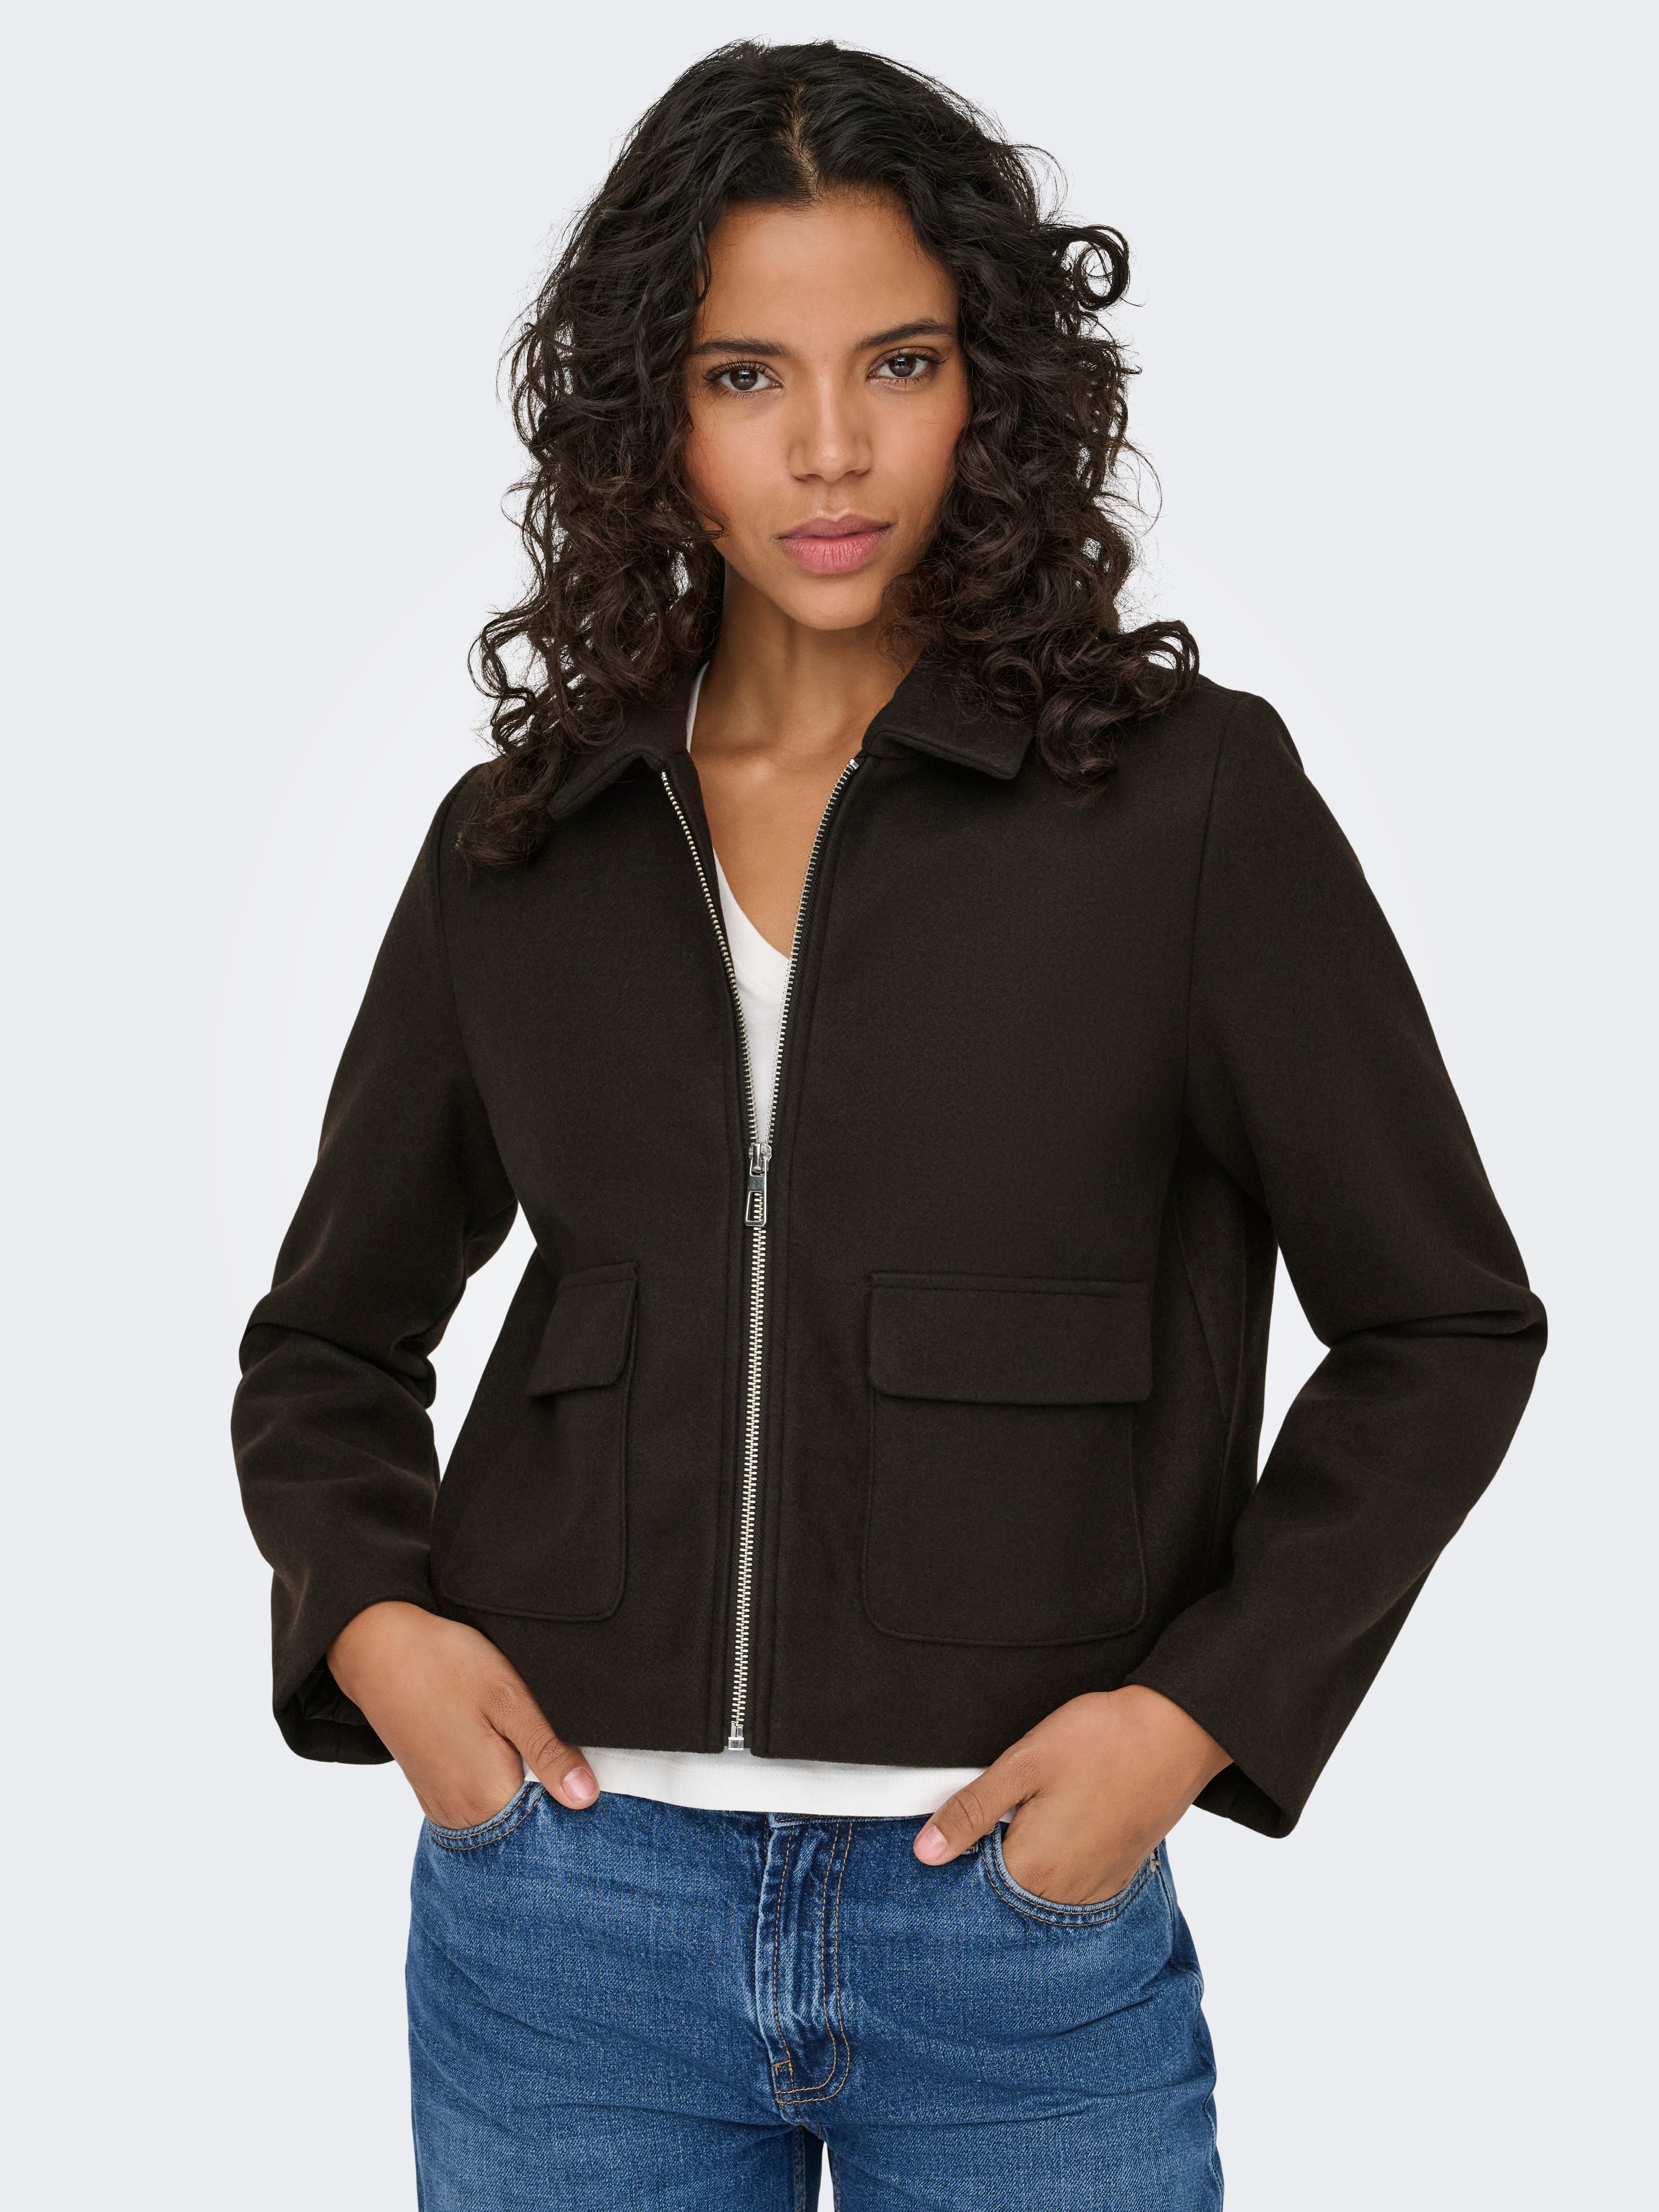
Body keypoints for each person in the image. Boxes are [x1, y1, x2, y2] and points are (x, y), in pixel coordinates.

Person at [231, 39, 1545, 2210]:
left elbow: (1443, 1327)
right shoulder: (524, 844)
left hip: (1014, 1920)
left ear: (991, 388)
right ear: (653, 416)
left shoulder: (1183, 804)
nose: (829, 449)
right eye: (747, 375)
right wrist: (375, 1631)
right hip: (567, 1917)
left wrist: (1189, 1721)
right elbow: (325, 1343)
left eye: (900, 364)